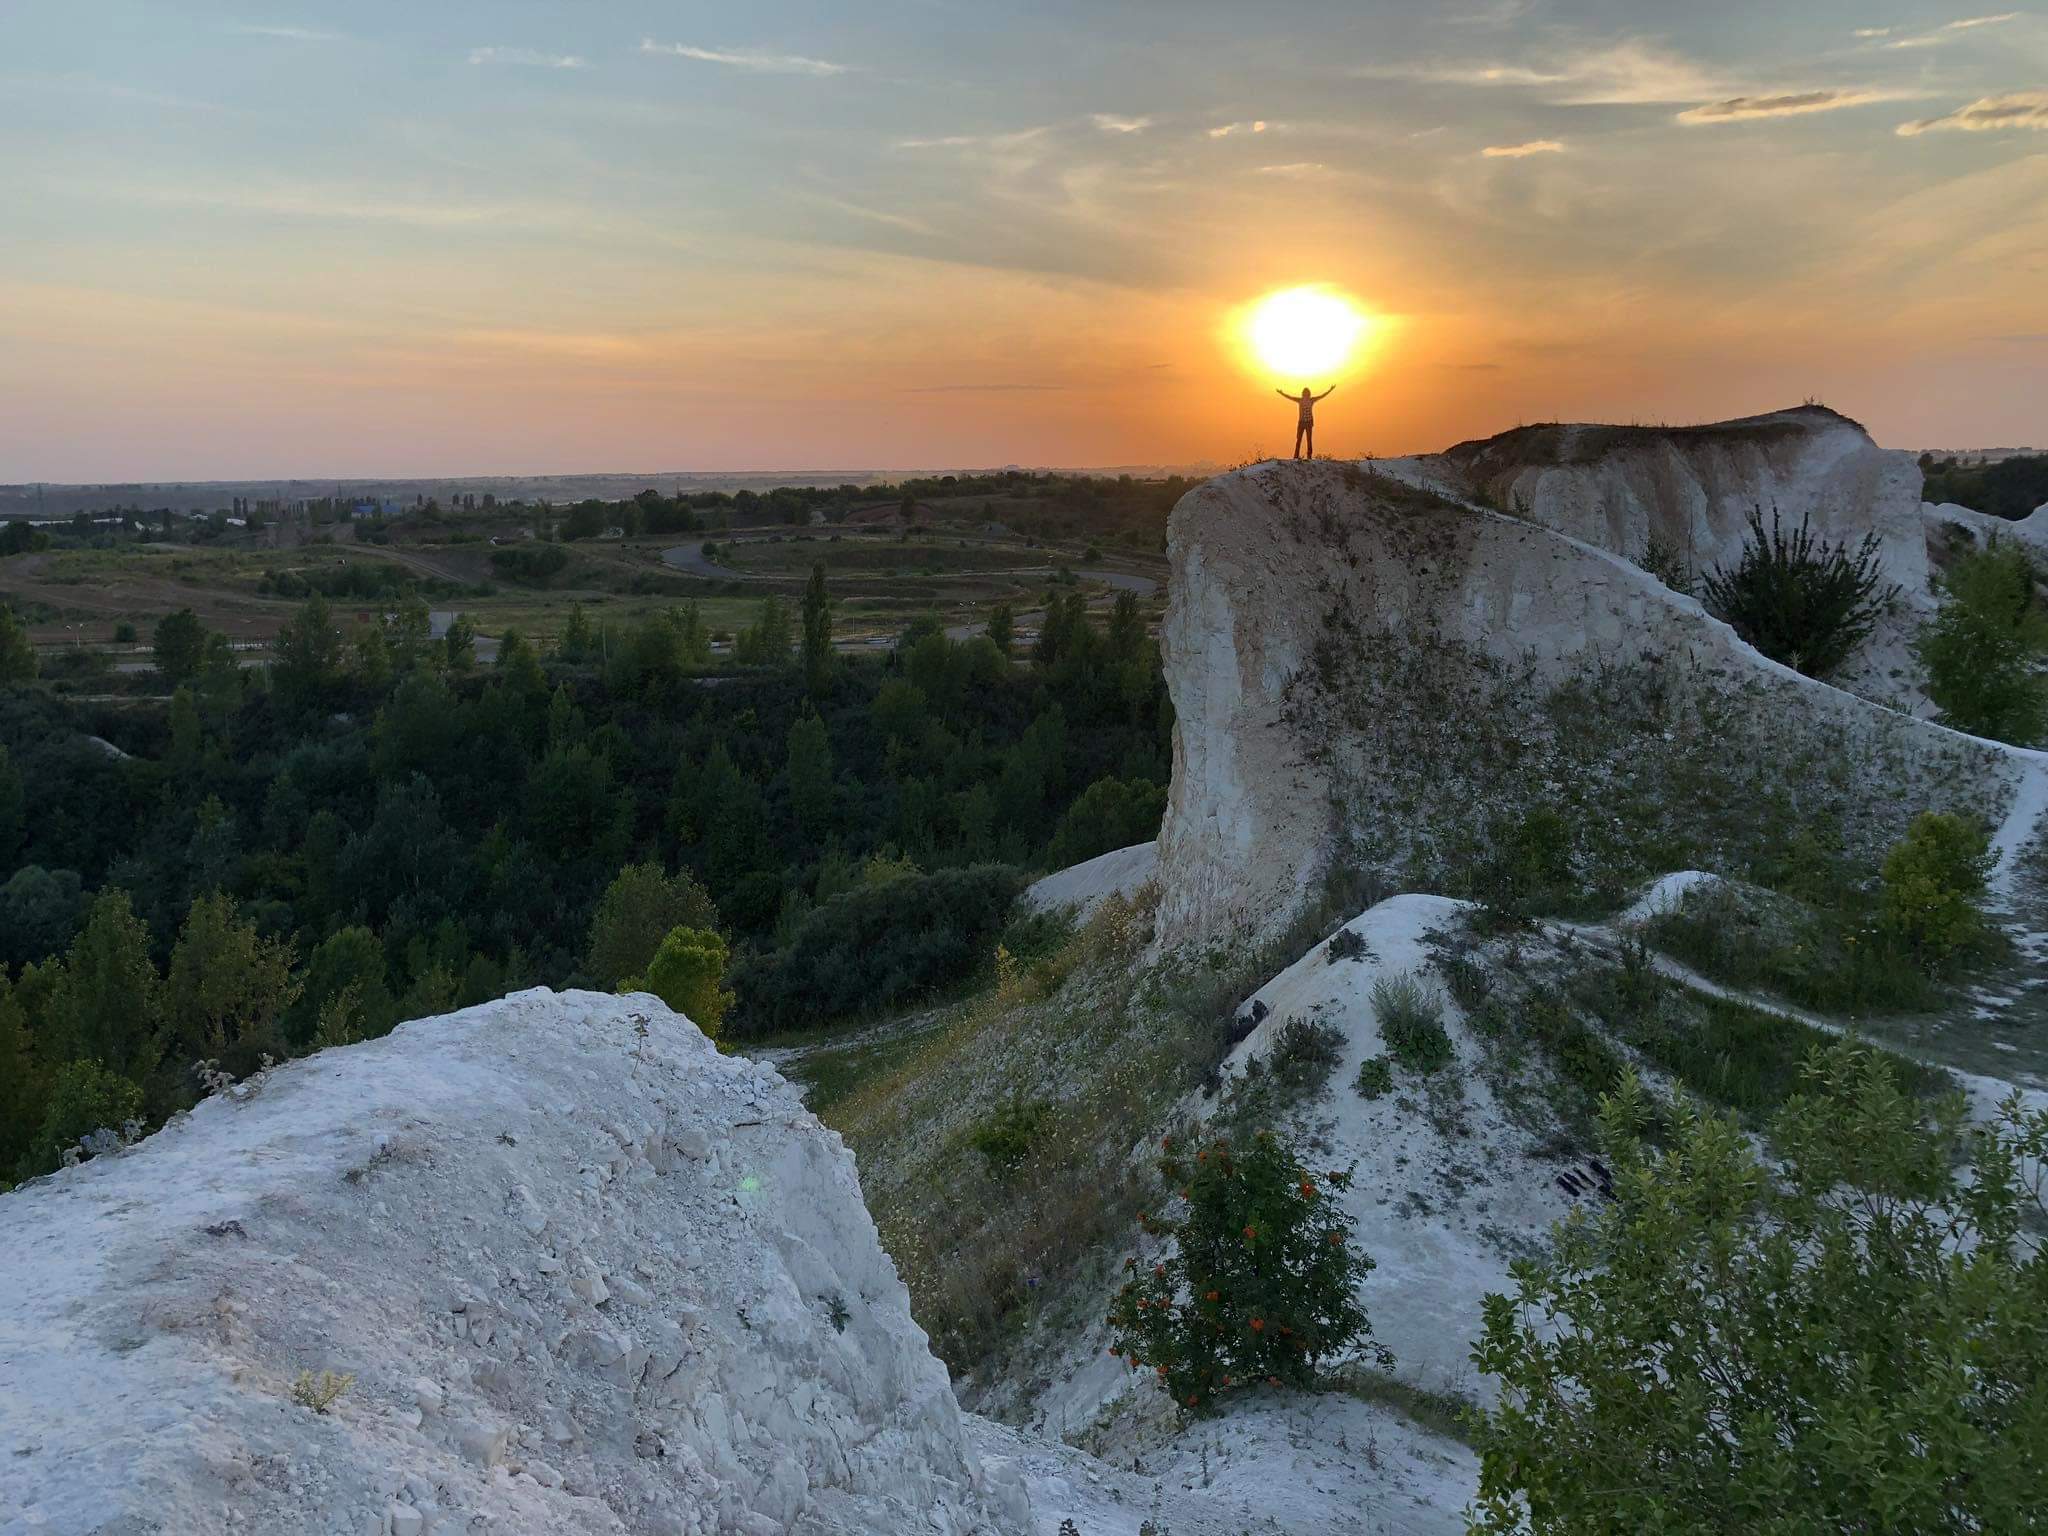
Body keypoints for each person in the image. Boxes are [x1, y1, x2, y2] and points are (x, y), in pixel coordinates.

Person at [1277, 385, 1335, 459]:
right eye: (1305, 394)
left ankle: (1307, 456)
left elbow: (1322, 396)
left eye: (1306, 394)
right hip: (1302, 423)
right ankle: (1297, 456)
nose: (1306, 395)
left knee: (1307, 440)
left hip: (1308, 423)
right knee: (1300, 439)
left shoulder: (1310, 400)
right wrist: (1281, 393)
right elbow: (1290, 397)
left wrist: (1330, 390)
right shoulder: (1303, 400)